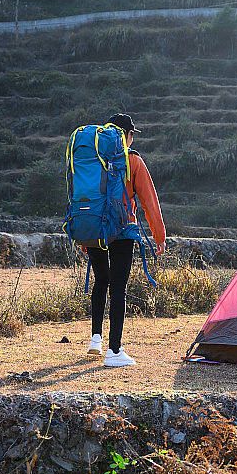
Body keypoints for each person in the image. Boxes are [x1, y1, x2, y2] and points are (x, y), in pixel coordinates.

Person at [84, 113, 166, 367]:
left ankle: (95, 339)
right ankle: (114, 351)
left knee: (101, 281)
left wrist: (84, 236)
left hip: (95, 229)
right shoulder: (133, 161)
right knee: (118, 288)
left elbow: (83, 194)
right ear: (127, 136)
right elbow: (149, 202)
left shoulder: (93, 159)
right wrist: (159, 236)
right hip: (122, 229)